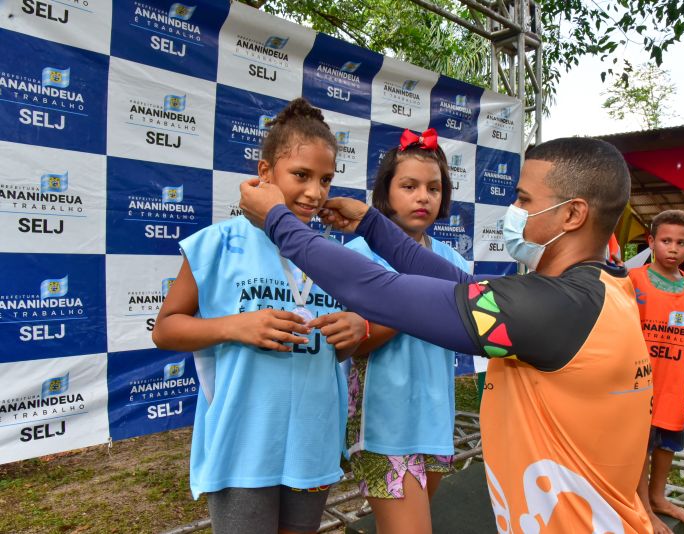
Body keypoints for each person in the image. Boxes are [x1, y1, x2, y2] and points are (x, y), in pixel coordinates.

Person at [240, 137, 654, 533]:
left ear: (572, 214)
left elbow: (376, 290)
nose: (514, 210)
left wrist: (278, 221)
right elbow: (457, 283)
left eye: (524, 200)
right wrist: (372, 224)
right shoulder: (605, 290)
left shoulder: (554, 308)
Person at [152, 98, 367, 534]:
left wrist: (356, 328)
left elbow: (358, 327)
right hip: (243, 443)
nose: (315, 192)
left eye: (325, 179)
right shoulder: (216, 243)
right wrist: (236, 326)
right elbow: (166, 329)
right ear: (265, 173)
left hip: (314, 440)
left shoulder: (330, 254)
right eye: (301, 175)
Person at [341, 128, 468, 534]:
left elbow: (469, 327)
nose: (422, 197)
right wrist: (418, 305)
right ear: (386, 191)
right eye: (409, 186)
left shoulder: (452, 261)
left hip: (435, 424)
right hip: (383, 426)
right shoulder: (359, 254)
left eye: (433, 187)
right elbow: (352, 344)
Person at [628, 210, 684, 534]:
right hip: (638, 380)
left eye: (682, 242)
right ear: (651, 242)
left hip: (673, 381)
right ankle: (643, 506)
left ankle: (658, 496)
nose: (673, 248)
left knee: (668, 439)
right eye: (666, 241)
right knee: (641, 442)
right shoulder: (632, 281)